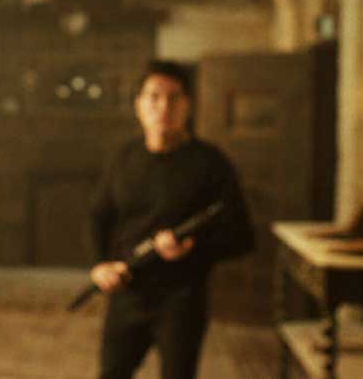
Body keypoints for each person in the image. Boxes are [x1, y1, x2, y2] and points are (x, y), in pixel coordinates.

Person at [89, 60, 254, 379]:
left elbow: (242, 236)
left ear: (187, 105)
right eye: (154, 97)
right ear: (138, 105)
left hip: (182, 297)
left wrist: (192, 247)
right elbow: (98, 216)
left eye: (174, 98)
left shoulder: (211, 162)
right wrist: (100, 265)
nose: (163, 107)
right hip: (127, 290)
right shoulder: (123, 158)